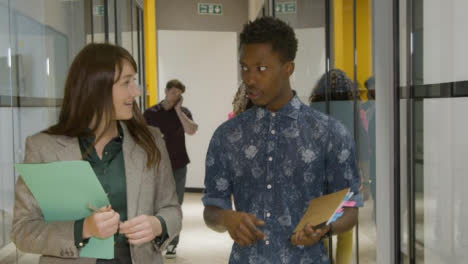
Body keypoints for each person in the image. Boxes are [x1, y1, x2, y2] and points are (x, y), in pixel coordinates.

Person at [202, 17, 363, 264]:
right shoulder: (227, 136)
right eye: (245, 67)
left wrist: (325, 228)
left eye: (261, 68)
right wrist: (227, 219)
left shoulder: (329, 133)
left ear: (288, 68)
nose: (250, 78)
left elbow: (349, 208)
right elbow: (211, 210)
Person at [10, 43, 182, 264]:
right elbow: (23, 230)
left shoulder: (151, 141)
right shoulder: (44, 148)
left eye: (134, 81)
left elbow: (172, 210)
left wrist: (158, 224)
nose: (136, 92)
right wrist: (82, 229)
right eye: (126, 83)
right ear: (96, 88)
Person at [309, 69, 366, 264]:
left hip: (319, 173)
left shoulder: (314, 110)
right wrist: (362, 175)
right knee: (346, 228)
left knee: (320, 220)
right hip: (345, 174)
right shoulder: (352, 110)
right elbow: (361, 144)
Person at [143, 79, 198, 258]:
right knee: (154, 203)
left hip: (178, 165)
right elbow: (142, 136)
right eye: (174, 92)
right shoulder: (151, 113)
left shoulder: (183, 111)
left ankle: (173, 243)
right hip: (156, 165)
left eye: (179, 94)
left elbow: (191, 130)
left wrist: (178, 111)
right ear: (166, 91)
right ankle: (156, 238)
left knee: (175, 204)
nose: (176, 96)